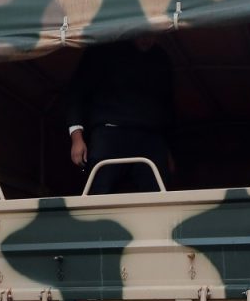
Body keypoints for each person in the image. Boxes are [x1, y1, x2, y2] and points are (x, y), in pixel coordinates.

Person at [64, 35, 173, 195]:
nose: (147, 37)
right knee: (98, 192)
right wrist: (76, 137)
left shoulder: (161, 57)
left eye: (153, 32)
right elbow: (77, 91)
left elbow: (167, 104)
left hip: (150, 136)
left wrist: (167, 149)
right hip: (109, 132)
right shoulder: (102, 48)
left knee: (157, 193)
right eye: (143, 32)